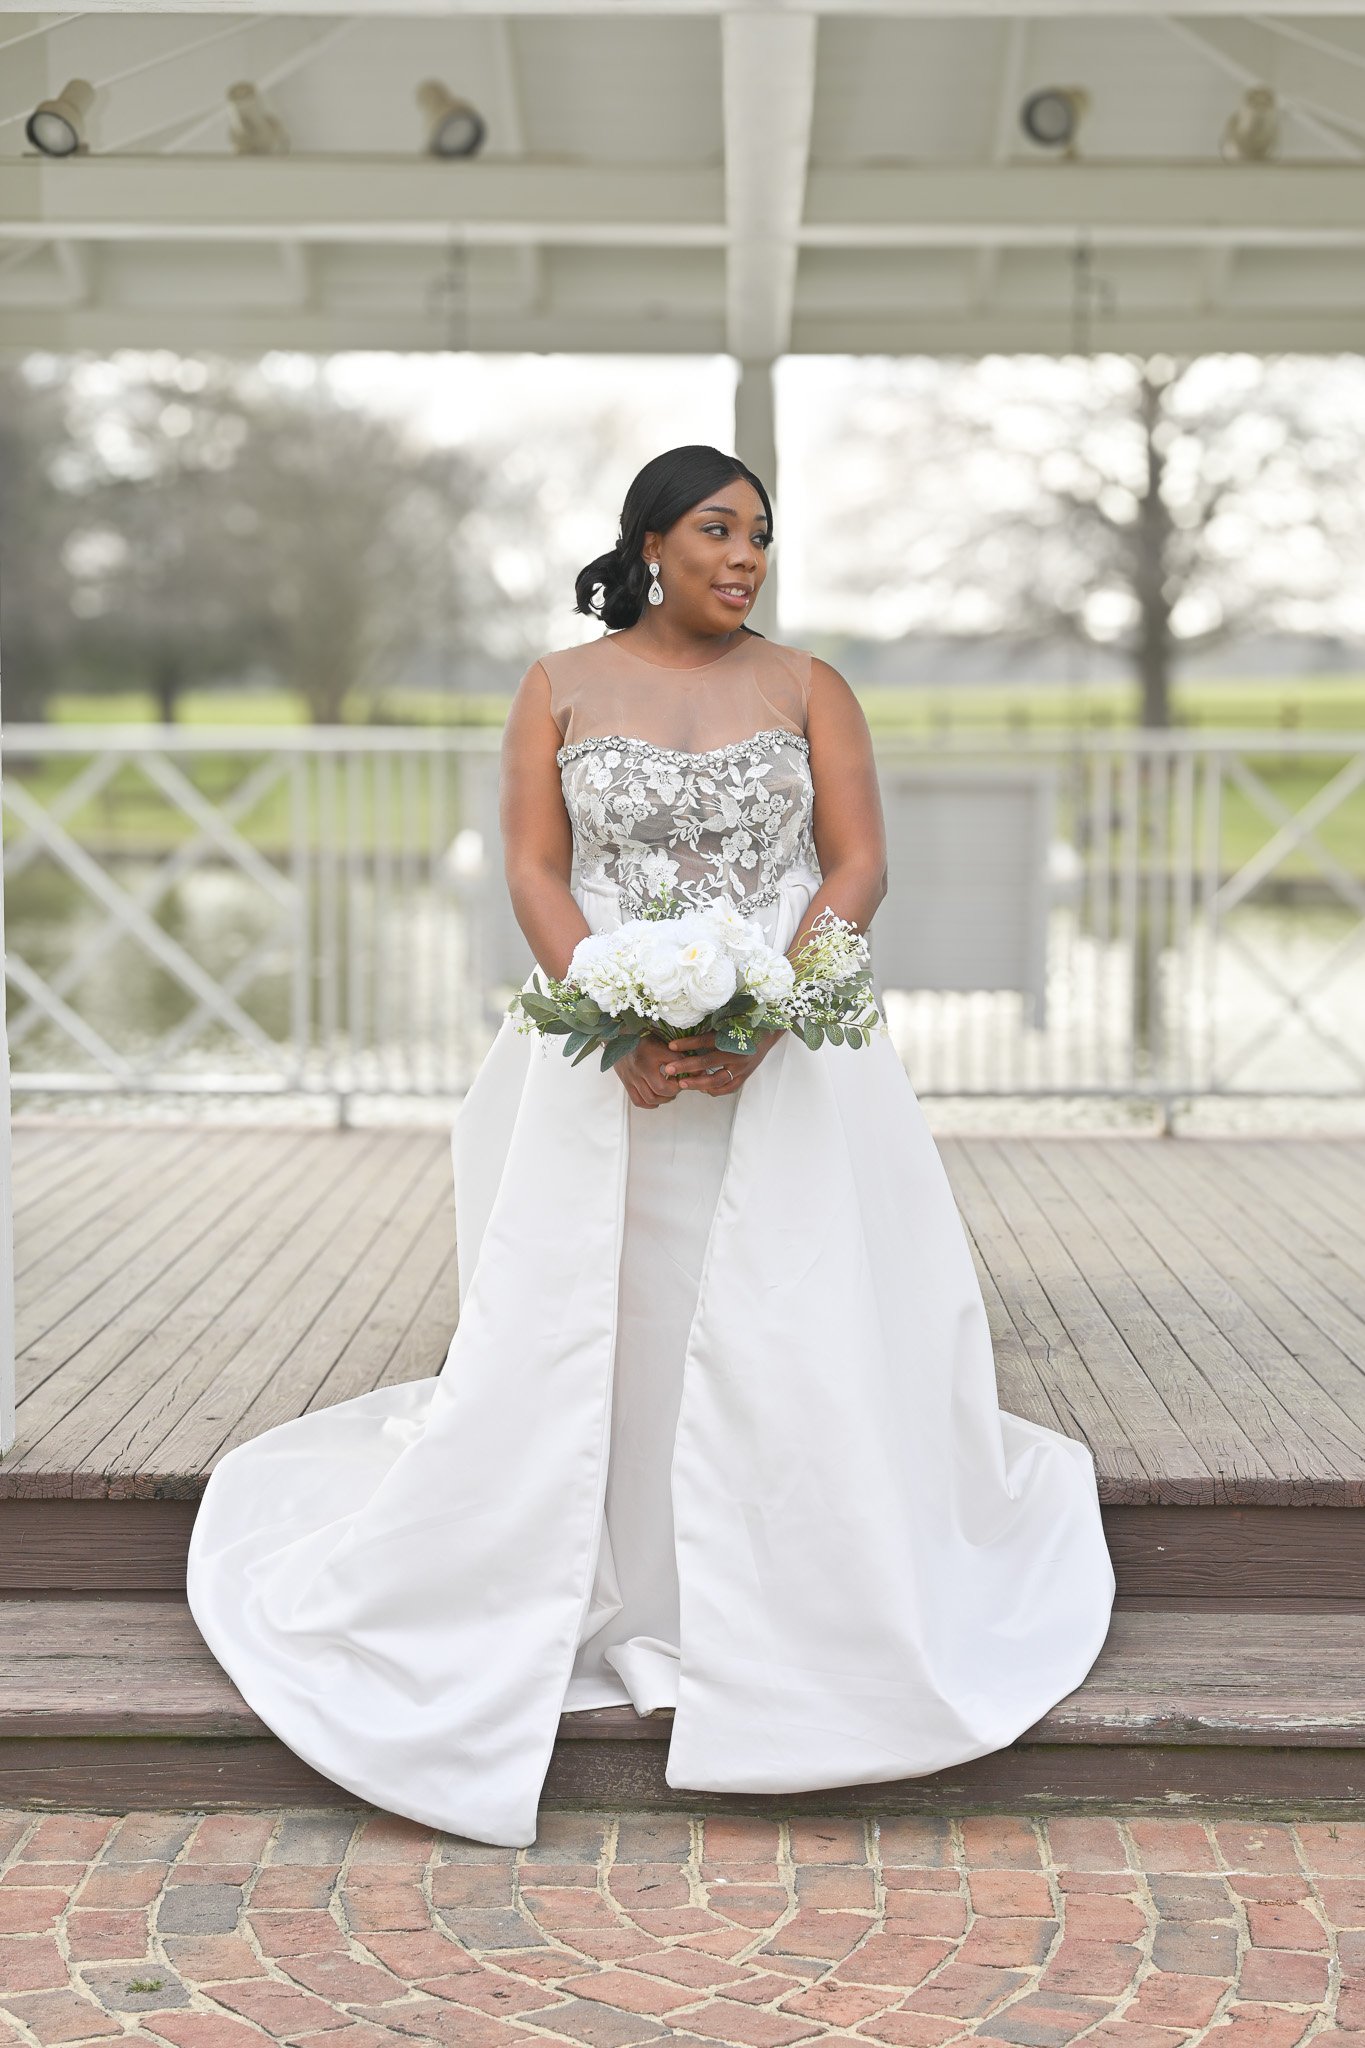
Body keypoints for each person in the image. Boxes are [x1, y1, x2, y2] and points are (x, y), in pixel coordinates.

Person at [186, 444, 1116, 1850]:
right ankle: (578, 1574)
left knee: (783, 1312)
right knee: (589, 1318)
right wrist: (611, 1022)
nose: (744, 558)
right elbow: (534, 867)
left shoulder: (809, 685)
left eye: (760, 536)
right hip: (599, 1059)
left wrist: (780, 1016)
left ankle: (775, 1607)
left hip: (792, 1065)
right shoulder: (559, 685)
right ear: (647, 542)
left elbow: (857, 863)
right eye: (716, 531)